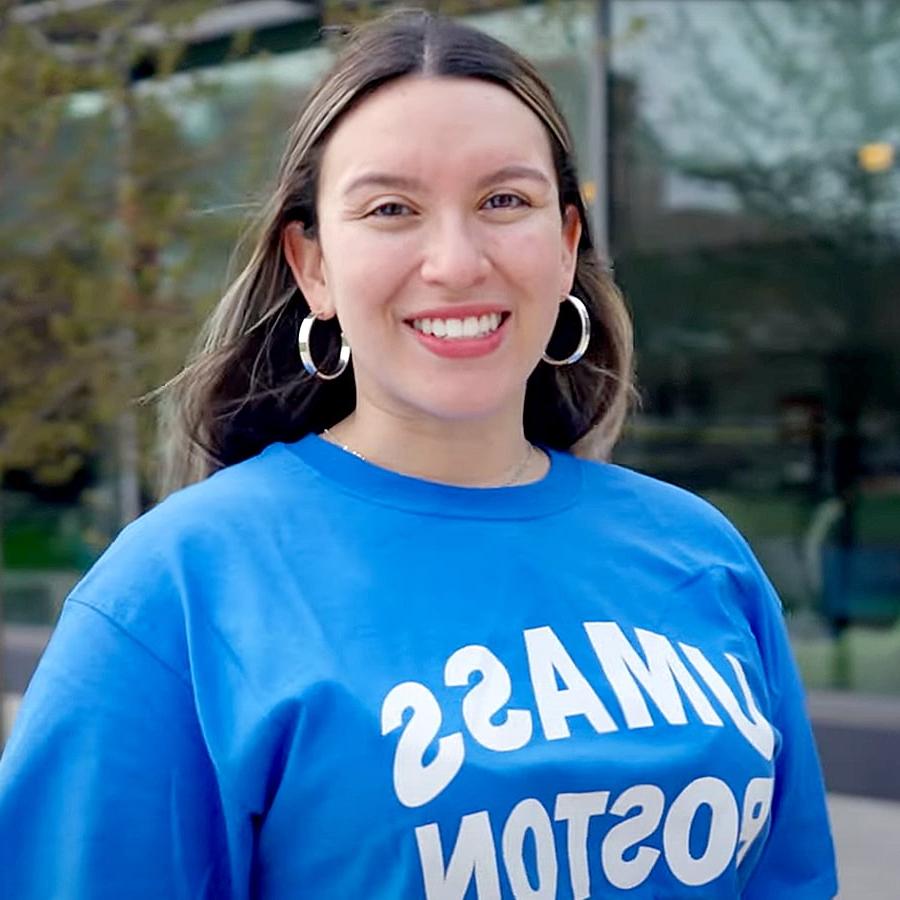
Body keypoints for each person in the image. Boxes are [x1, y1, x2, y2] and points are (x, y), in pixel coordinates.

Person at [0, 10, 837, 899]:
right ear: (311, 265)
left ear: (565, 245)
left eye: (503, 201)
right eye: (392, 209)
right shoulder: (177, 590)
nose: (454, 261)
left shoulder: (699, 554)